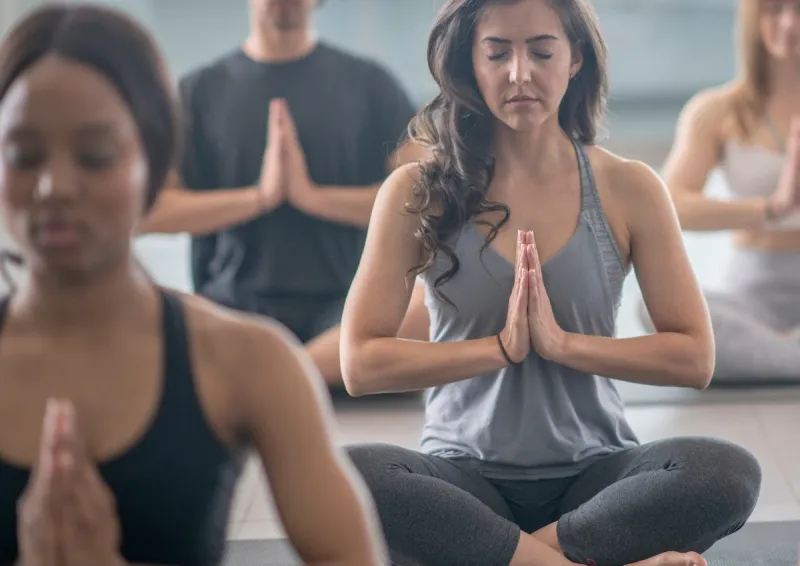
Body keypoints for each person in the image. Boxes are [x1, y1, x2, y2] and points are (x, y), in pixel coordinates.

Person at [339, 0, 763, 565]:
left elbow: (693, 357)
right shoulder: (418, 191)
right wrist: (498, 350)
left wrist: (563, 346)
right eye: (497, 52)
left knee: (725, 472)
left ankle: (516, 559)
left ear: (575, 60)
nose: (520, 72)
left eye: (541, 51)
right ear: (470, 62)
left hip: (595, 482)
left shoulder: (628, 187)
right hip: (466, 483)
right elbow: (360, 364)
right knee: (348, 476)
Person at [0, 5, 388, 566]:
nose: (55, 187)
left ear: (152, 162)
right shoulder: (209, 87)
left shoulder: (252, 362)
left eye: (95, 156)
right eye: (23, 155)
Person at [139, 0, 423, 388]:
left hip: (344, 311)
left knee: (422, 310)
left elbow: (426, 199)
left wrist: (315, 199)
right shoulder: (198, 92)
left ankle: (279, 374)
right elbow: (148, 212)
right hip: (233, 310)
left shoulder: (370, 83)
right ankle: (296, 375)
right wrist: (259, 197)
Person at [637, 0, 800, 383]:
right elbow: (670, 205)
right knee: (655, 310)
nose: (791, 24)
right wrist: (772, 207)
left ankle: (775, 356)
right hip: (753, 294)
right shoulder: (715, 112)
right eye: (775, 9)